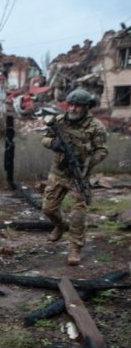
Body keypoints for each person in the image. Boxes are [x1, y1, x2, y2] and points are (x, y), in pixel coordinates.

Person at [41, 88, 108, 266]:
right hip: (57, 173)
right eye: (70, 104)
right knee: (48, 209)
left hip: (79, 176)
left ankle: (75, 248)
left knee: (78, 215)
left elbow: (102, 150)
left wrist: (87, 163)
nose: (72, 108)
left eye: (77, 105)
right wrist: (53, 143)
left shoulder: (96, 127)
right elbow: (44, 138)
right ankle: (60, 225)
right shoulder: (59, 121)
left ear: (86, 107)